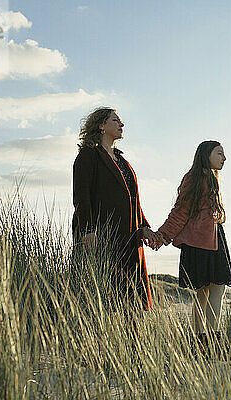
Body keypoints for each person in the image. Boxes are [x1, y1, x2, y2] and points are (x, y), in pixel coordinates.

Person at [72, 107, 160, 312]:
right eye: (116, 120)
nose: (121, 124)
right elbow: (81, 198)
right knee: (104, 299)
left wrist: (144, 226)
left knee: (131, 303)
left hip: (129, 239)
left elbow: (134, 201)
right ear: (101, 125)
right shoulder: (88, 156)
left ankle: (130, 344)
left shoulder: (123, 161)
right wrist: (88, 230)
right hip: (102, 237)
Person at [154, 140, 231, 342]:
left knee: (210, 290)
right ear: (206, 155)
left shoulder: (212, 178)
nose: (224, 158)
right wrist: (163, 235)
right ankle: (208, 340)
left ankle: (203, 339)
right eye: (219, 153)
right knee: (209, 290)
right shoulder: (194, 178)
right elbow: (180, 211)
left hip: (214, 238)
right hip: (199, 241)